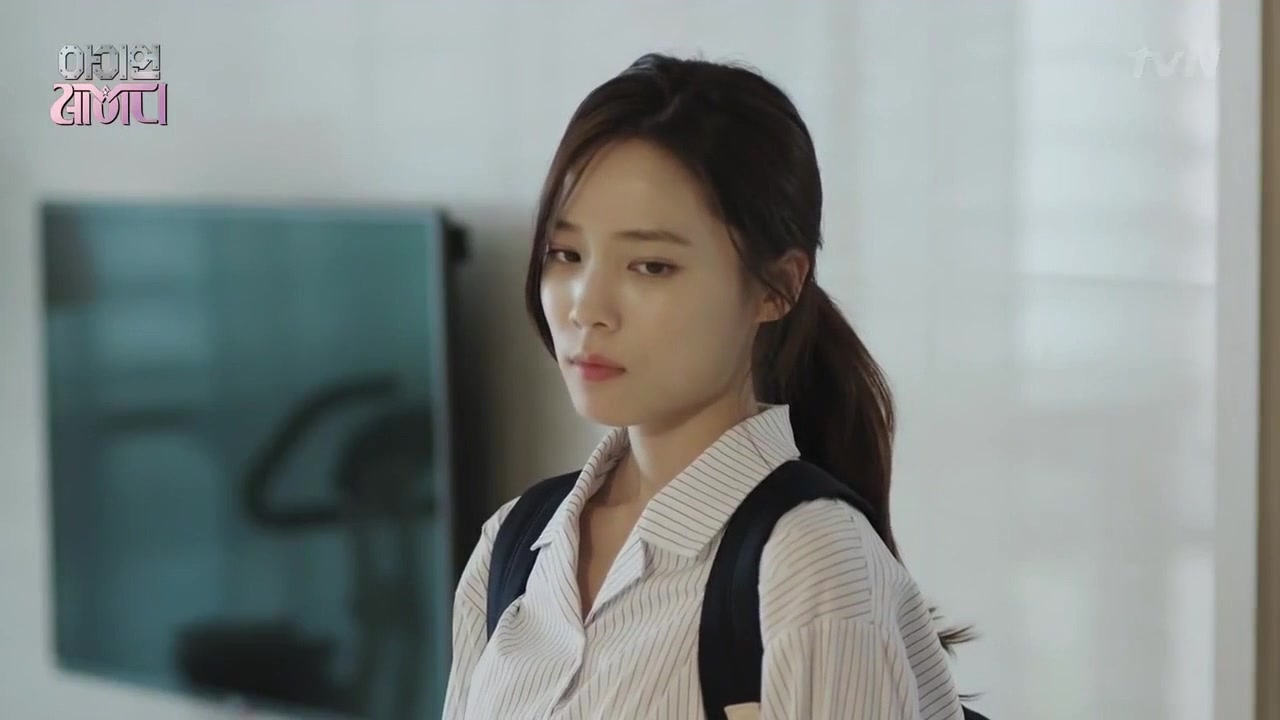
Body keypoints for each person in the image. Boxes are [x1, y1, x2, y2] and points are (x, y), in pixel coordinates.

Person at [443, 52, 971, 720]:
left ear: (778, 287)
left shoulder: (809, 563)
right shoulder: (513, 546)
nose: (586, 307)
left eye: (651, 266)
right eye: (565, 254)